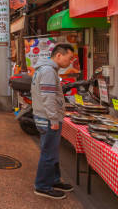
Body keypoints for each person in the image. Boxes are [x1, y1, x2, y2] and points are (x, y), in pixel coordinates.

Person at [32, 43, 75, 200]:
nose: (70, 62)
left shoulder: (45, 69)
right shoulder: (49, 71)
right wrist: (53, 118)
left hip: (45, 116)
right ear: (59, 55)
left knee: (52, 151)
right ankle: (42, 185)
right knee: (49, 152)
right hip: (48, 118)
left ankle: (54, 180)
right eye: (69, 58)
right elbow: (48, 97)